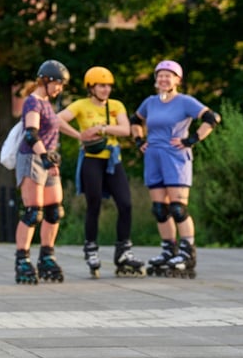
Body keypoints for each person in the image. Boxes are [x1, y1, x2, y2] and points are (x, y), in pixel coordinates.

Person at [130, 59, 219, 278]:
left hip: (175, 157)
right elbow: (135, 119)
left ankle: (187, 252)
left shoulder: (185, 101)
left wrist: (192, 140)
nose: (163, 79)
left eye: (168, 75)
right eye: (160, 75)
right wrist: (139, 141)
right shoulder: (150, 102)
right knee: (160, 209)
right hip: (154, 157)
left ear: (177, 80)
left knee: (178, 208)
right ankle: (168, 250)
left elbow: (211, 118)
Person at [57, 66, 145, 278]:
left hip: (113, 161)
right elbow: (56, 119)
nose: (106, 89)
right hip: (91, 161)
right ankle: (91, 248)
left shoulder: (116, 105)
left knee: (125, 204)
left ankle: (124, 250)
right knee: (94, 204)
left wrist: (101, 129)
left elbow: (125, 130)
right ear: (91, 87)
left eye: (108, 86)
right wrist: (78, 135)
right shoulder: (81, 104)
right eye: (101, 85)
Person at [14, 60, 77, 284]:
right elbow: (31, 134)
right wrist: (45, 157)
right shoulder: (33, 102)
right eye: (58, 84)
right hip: (33, 158)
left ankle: (47, 256)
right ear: (47, 80)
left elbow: (56, 127)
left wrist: (80, 137)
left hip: (47, 160)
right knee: (33, 212)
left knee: (54, 211)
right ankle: (22, 259)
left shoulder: (48, 103)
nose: (60, 88)